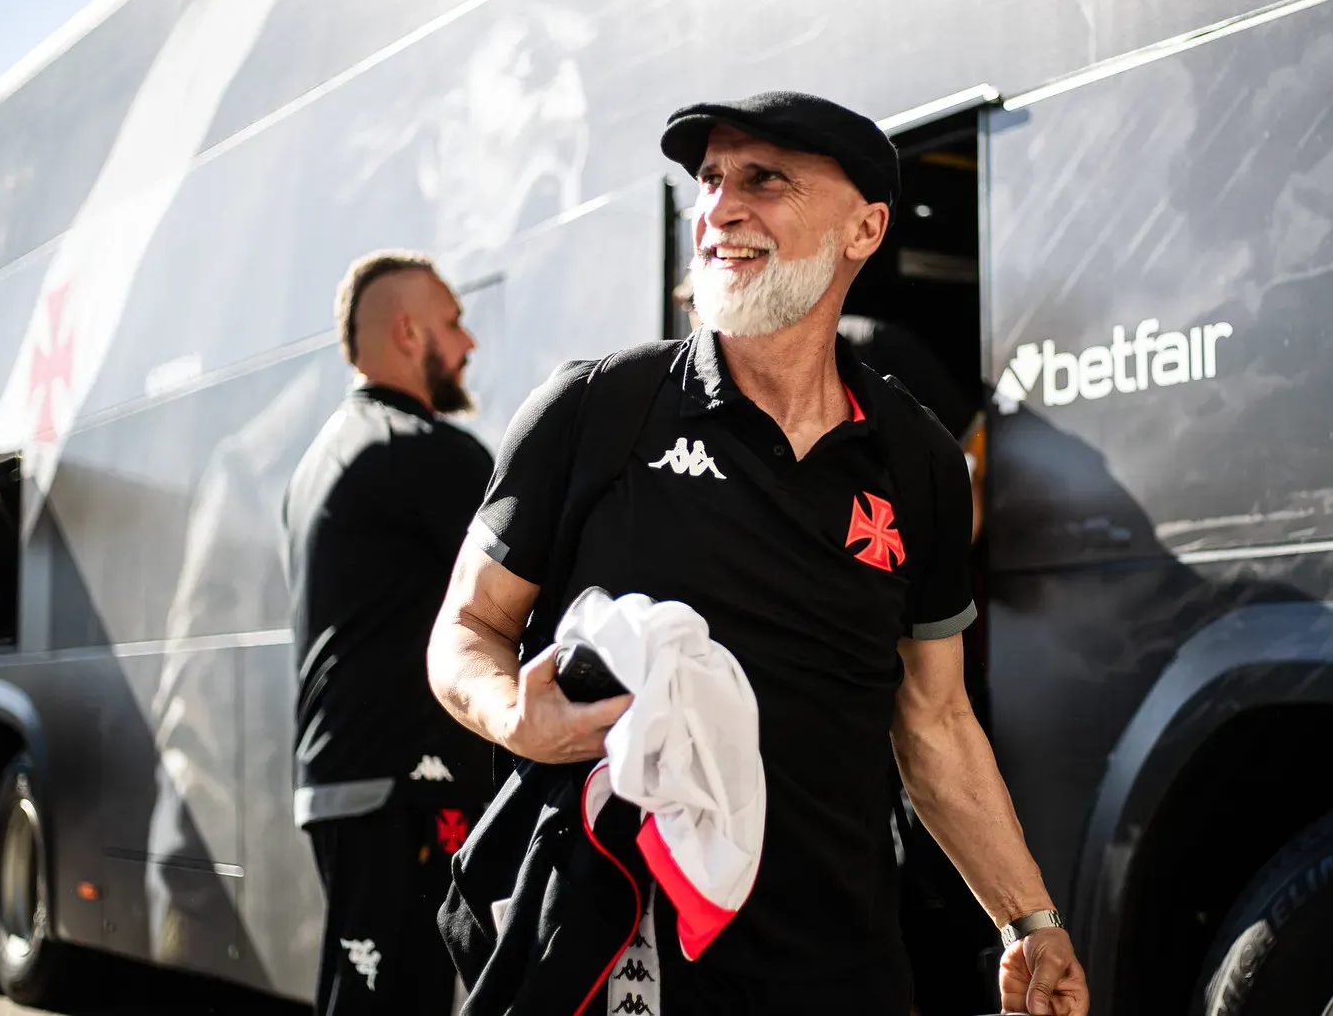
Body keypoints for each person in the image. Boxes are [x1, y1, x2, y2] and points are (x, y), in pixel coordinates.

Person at [428, 93, 1088, 1016]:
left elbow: (934, 725)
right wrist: (512, 714)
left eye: (763, 179)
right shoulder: (594, 410)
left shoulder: (919, 458)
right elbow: (467, 627)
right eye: (708, 180)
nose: (720, 207)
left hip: (839, 966)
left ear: (865, 227)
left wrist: (1028, 920)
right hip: (618, 954)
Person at [283, 251, 494, 1015]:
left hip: (346, 781)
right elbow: (529, 584)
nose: (467, 344)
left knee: (368, 993)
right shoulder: (422, 453)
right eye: (453, 323)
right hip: (406, 784)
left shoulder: (322, 457)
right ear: (409, 332)